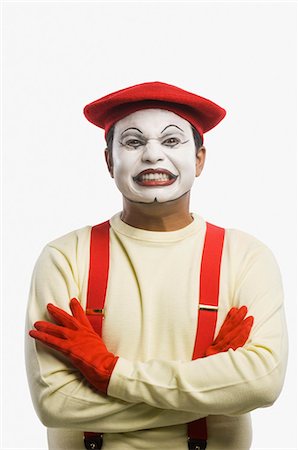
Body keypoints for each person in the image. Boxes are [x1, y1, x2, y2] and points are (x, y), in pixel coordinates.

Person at [25, 81, 288, 450]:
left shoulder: (245, 257)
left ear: (199, 159)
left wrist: (111, 373)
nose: (152, 156)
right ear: (108, 160)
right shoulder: (65, 257)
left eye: (171, 141)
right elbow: (55, 402)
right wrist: (210, 391)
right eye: (133, 142)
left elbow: (262, 383)